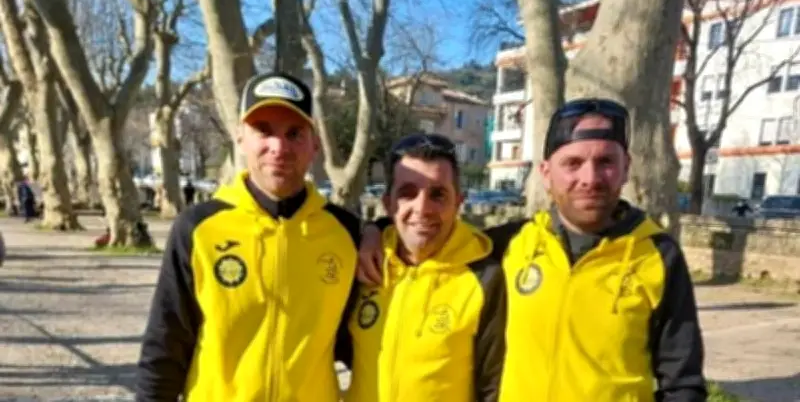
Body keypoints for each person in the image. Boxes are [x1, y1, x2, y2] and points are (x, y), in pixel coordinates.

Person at [358, 99, 708, 402]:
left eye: (605, 162)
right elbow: (429, 228)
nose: (590, 177)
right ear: (546, 173)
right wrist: (373, 231)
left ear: (626, 168)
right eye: (572, 163)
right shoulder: (511, 243)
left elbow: (683, 383)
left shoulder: (659, 255)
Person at [135, 72, 362, 401]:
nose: (279, 147)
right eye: (263, 130)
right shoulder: (198, 228)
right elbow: (165, 347)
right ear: (240, 137)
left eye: (294, 133)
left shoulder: (347, 233)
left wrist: (379, 231)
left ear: (314, 144)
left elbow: (365, 342)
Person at [339, 133, 507, 402]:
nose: (422, 208)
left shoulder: (485, 278)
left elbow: (493, 387)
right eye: (407, 194)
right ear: (388, 203)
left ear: (458, 203)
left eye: (437, 195)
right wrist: (373, 230)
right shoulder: (364, 263)